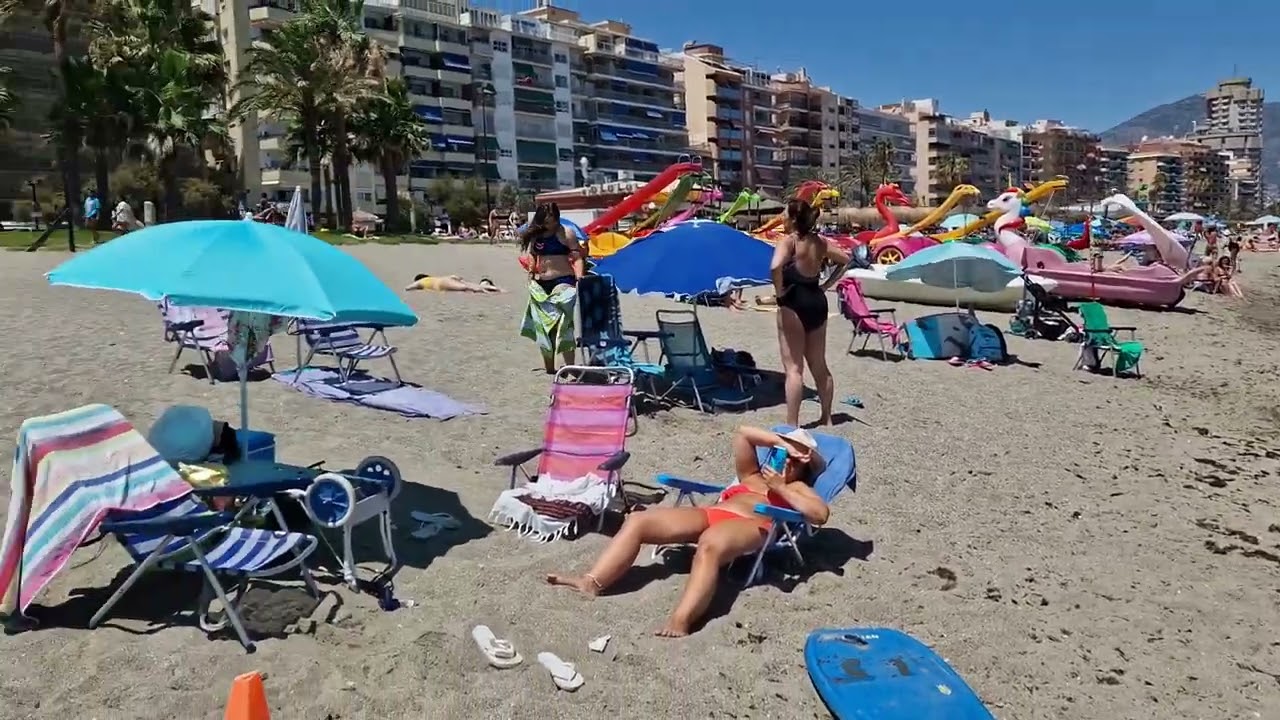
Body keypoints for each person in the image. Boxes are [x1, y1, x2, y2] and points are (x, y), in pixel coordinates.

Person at [546, 426, 830, 637]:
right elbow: (742, 433)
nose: (786, 460)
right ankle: (591, 582)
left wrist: (780, 487)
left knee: (710, 543)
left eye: (794, 457)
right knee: (638, 521)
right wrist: (782, 441)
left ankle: (681, 621)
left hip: (754, 525)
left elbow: (820, 514)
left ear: (805, 466)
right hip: (712, 513)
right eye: (784, 453)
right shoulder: (751, 475)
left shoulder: (797, 488)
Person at [770, 200, 850, 427]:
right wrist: (827, 285)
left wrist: (779, 292)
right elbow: (846, 260)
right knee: (818, 364)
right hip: (817, 300)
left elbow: (775, 267)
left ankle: (792, 425)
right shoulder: (820, 242)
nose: (782, 217)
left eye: (784, 214)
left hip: (793, 301)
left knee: (794, 369)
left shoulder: (789, 242)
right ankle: (827, 417)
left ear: (794, 219)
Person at [519, 203, 584, 373]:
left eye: (553, 220)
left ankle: (570, 367)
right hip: (541, 283)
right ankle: (550, 368)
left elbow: (577, 257)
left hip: (563, 280)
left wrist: (579, 277)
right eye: (546, 221)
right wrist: (532, 270)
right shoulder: (536, 235)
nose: (550, 225)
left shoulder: (566, 233)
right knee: (544, 326)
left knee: (564, 324)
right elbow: (533, 255)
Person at [404, 274, 504, 293]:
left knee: (465, 287)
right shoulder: (433, 278)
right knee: (469, 285)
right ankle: (491, 287)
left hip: (441, 284)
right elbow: (454, 277)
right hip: (445, 279)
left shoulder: (421, 282)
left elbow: (408, 288)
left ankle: (491, 289)